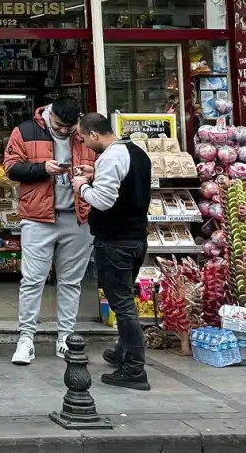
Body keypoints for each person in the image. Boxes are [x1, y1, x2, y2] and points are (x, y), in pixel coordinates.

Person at [4, 97, 96, 365]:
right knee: (32, 280)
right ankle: (26, 339)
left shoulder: (84, 132)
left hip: (78, 217)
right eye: (59, 125)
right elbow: (10, 167)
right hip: (37, 217)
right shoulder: (25, 130)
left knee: (70, 282)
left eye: (70, 126)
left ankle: (65, 338)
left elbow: (105, 163)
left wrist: (91, 172)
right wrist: (42, 168)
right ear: (49, 114)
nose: (65, 131)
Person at [72, 113, 153, 391]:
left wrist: (82, 187)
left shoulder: (109, 157)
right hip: (136, 239)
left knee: (123, 307)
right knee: (124, 298)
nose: (83, 143)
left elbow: (104, 201)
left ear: (94, 134)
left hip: (116, 241)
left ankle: (134, 369)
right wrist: (96, 175)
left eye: (83, 138)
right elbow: (127, 185)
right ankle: (123, 352)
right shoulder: (136, 152)